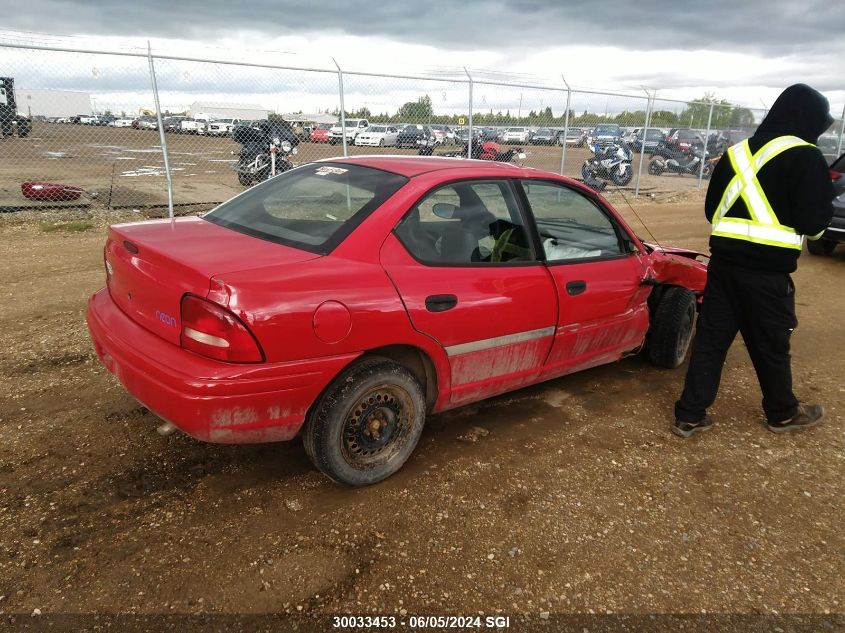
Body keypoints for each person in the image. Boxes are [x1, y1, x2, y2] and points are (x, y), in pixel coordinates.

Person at [673, 84, 836, 438]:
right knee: (771, 344)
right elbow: (814, 224)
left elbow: (710, 211)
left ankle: (690, 414)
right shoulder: (807, 156)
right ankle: (781, 414)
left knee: (711, 342)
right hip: (767, 275)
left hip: (723, 268)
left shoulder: (735, 154)